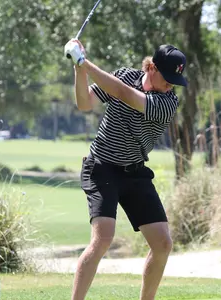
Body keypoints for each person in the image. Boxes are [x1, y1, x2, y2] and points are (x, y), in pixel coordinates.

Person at [63, 38, 188, 300]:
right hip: (102, 168)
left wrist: (85, 62)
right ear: (151, 67)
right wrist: (78, 69)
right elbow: (85, 103)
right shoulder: (124, 76)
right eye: (166, 79)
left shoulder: (167, 103)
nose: (170, 87)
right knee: (102, 239)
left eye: (174, 82)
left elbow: (124, 94)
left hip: (135, 172)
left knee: (163, 244)